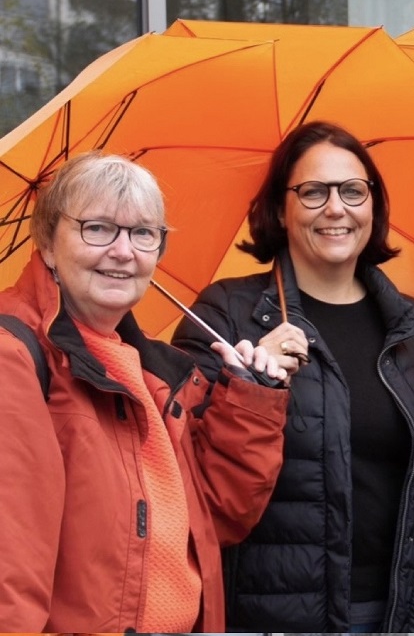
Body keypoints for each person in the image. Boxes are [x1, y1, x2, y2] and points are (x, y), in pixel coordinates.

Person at [171, 121, 414, 632]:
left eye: (353, 191)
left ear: (374, 205)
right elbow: (184, 471)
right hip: (278, 616)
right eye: (313, 192)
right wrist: (248, 387)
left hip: (410, 616)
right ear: (279, 208)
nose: (336, 208)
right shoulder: (229, 316)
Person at [0, 153, 289, 632]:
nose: (123, 251)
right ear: (48, 244)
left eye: (143, 234)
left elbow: (220, 517)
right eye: (98, 228)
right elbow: (9, 557)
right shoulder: (16, 356)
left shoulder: (153, 372)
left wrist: (250, 396)